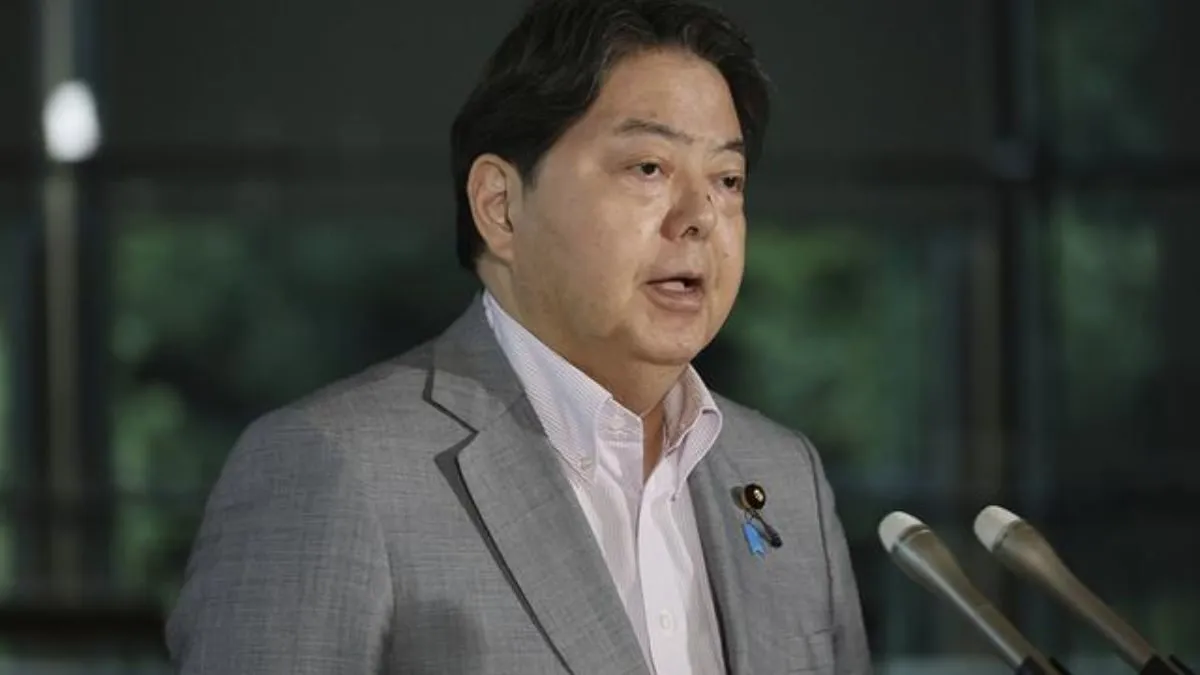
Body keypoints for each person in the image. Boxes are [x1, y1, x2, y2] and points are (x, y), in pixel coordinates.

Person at [165, 0, 872, 673]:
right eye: (648, 168)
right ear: (500, 207)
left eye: (728, 179)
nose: (700, 216)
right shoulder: (333, 469)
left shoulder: (783, 478)